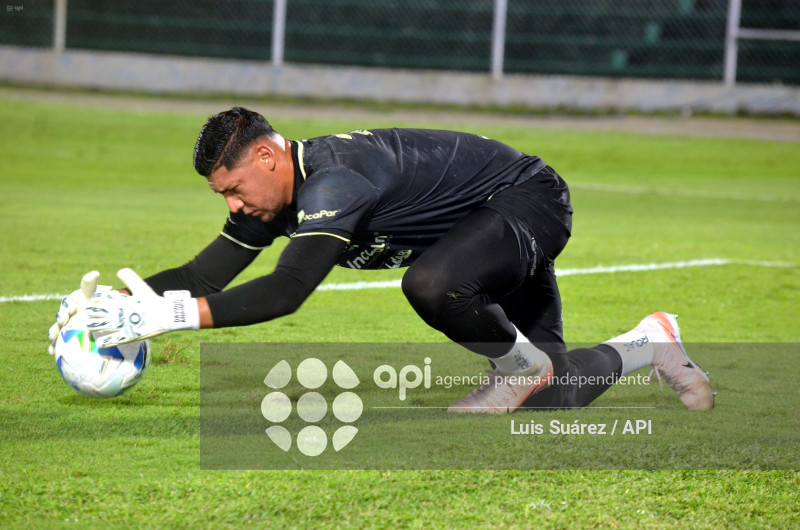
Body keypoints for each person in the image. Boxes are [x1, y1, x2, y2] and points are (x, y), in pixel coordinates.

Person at [48, 107, 714, 412]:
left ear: (267, 156)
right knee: (555, 393)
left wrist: (178, 318)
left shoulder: (334, 182)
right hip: (483, 232)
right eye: (221, 196)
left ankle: (516, 370)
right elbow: (202, 277)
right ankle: (650, 343)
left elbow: (286, 291)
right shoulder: (271, 200)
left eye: (234, 189)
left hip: (526, 204)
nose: (233, 205)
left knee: (431, 284)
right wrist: (106, 304)